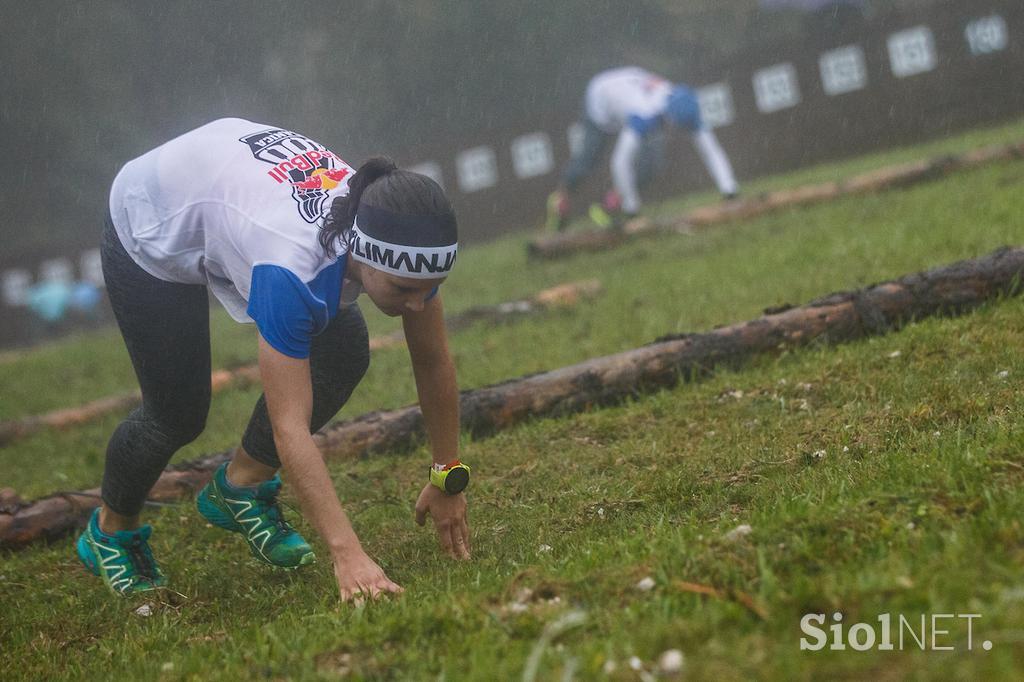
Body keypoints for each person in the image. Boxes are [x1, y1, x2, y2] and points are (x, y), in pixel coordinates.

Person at [76, 118, 471, 601]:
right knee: (176, 413)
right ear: (362, 257)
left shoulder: (399, 233)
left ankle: (239, 486)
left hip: (224, 181)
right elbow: (291, 426)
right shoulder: (291, 269)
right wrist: (348, 554)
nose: (419, 304)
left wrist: (447, 476)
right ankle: (109, 530)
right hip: (150, 214)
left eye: (432, 290)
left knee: (343, 352)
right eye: (405, 290)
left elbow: (432, 361)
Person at [547, 66, 740, 231]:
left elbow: (710, 150)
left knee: (653, 165)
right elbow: (620, 160)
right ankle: (560, 201)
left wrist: (729, 191)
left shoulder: (686, 104)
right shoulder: (644, 115)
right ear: (670, 118)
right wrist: (633, 212)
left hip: (628, 91)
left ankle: (611, 204)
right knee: (588, 161)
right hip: (600, 99)